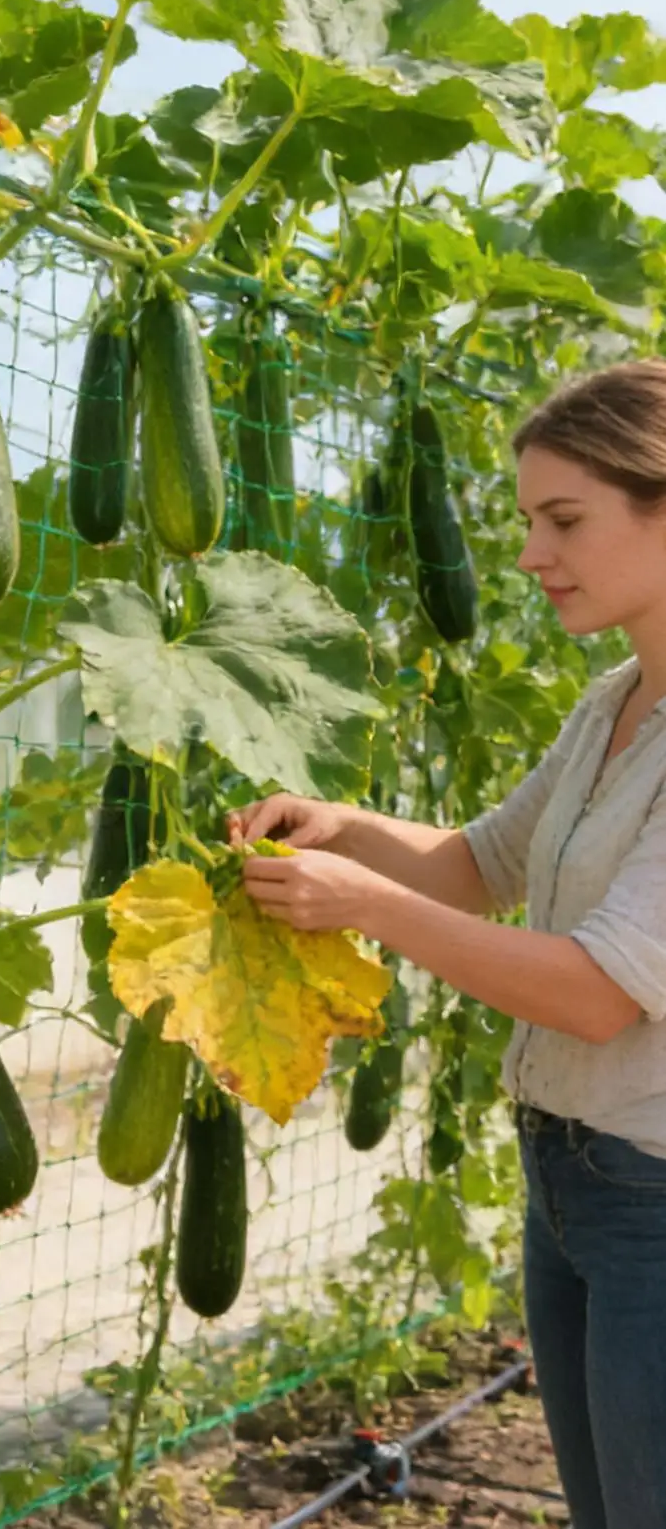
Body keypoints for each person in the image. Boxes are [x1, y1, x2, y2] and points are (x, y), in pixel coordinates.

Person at [230, 358, 666, 1529]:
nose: (529, 554)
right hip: (566, 1185)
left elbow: (593, 995)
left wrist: (358, 905)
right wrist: (346, 831)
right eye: (528, 520)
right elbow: (479, 862)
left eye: (561, 519)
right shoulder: (607, 704)